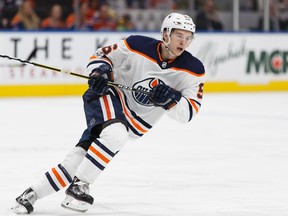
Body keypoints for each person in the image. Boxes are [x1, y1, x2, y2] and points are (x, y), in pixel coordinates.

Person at [11, 12, 205, 214]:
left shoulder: (193, 69)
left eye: (188, 37)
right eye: (179, 35)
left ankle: (30, 195)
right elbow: (102, 56)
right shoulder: (137, 44)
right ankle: (80, 186)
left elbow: (188, 113)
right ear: (166, 34)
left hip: (133, 123)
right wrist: (99, 71)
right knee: (116, 134)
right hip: (107, 95)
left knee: (77, 160)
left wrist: (170, 101)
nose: (184, 41)